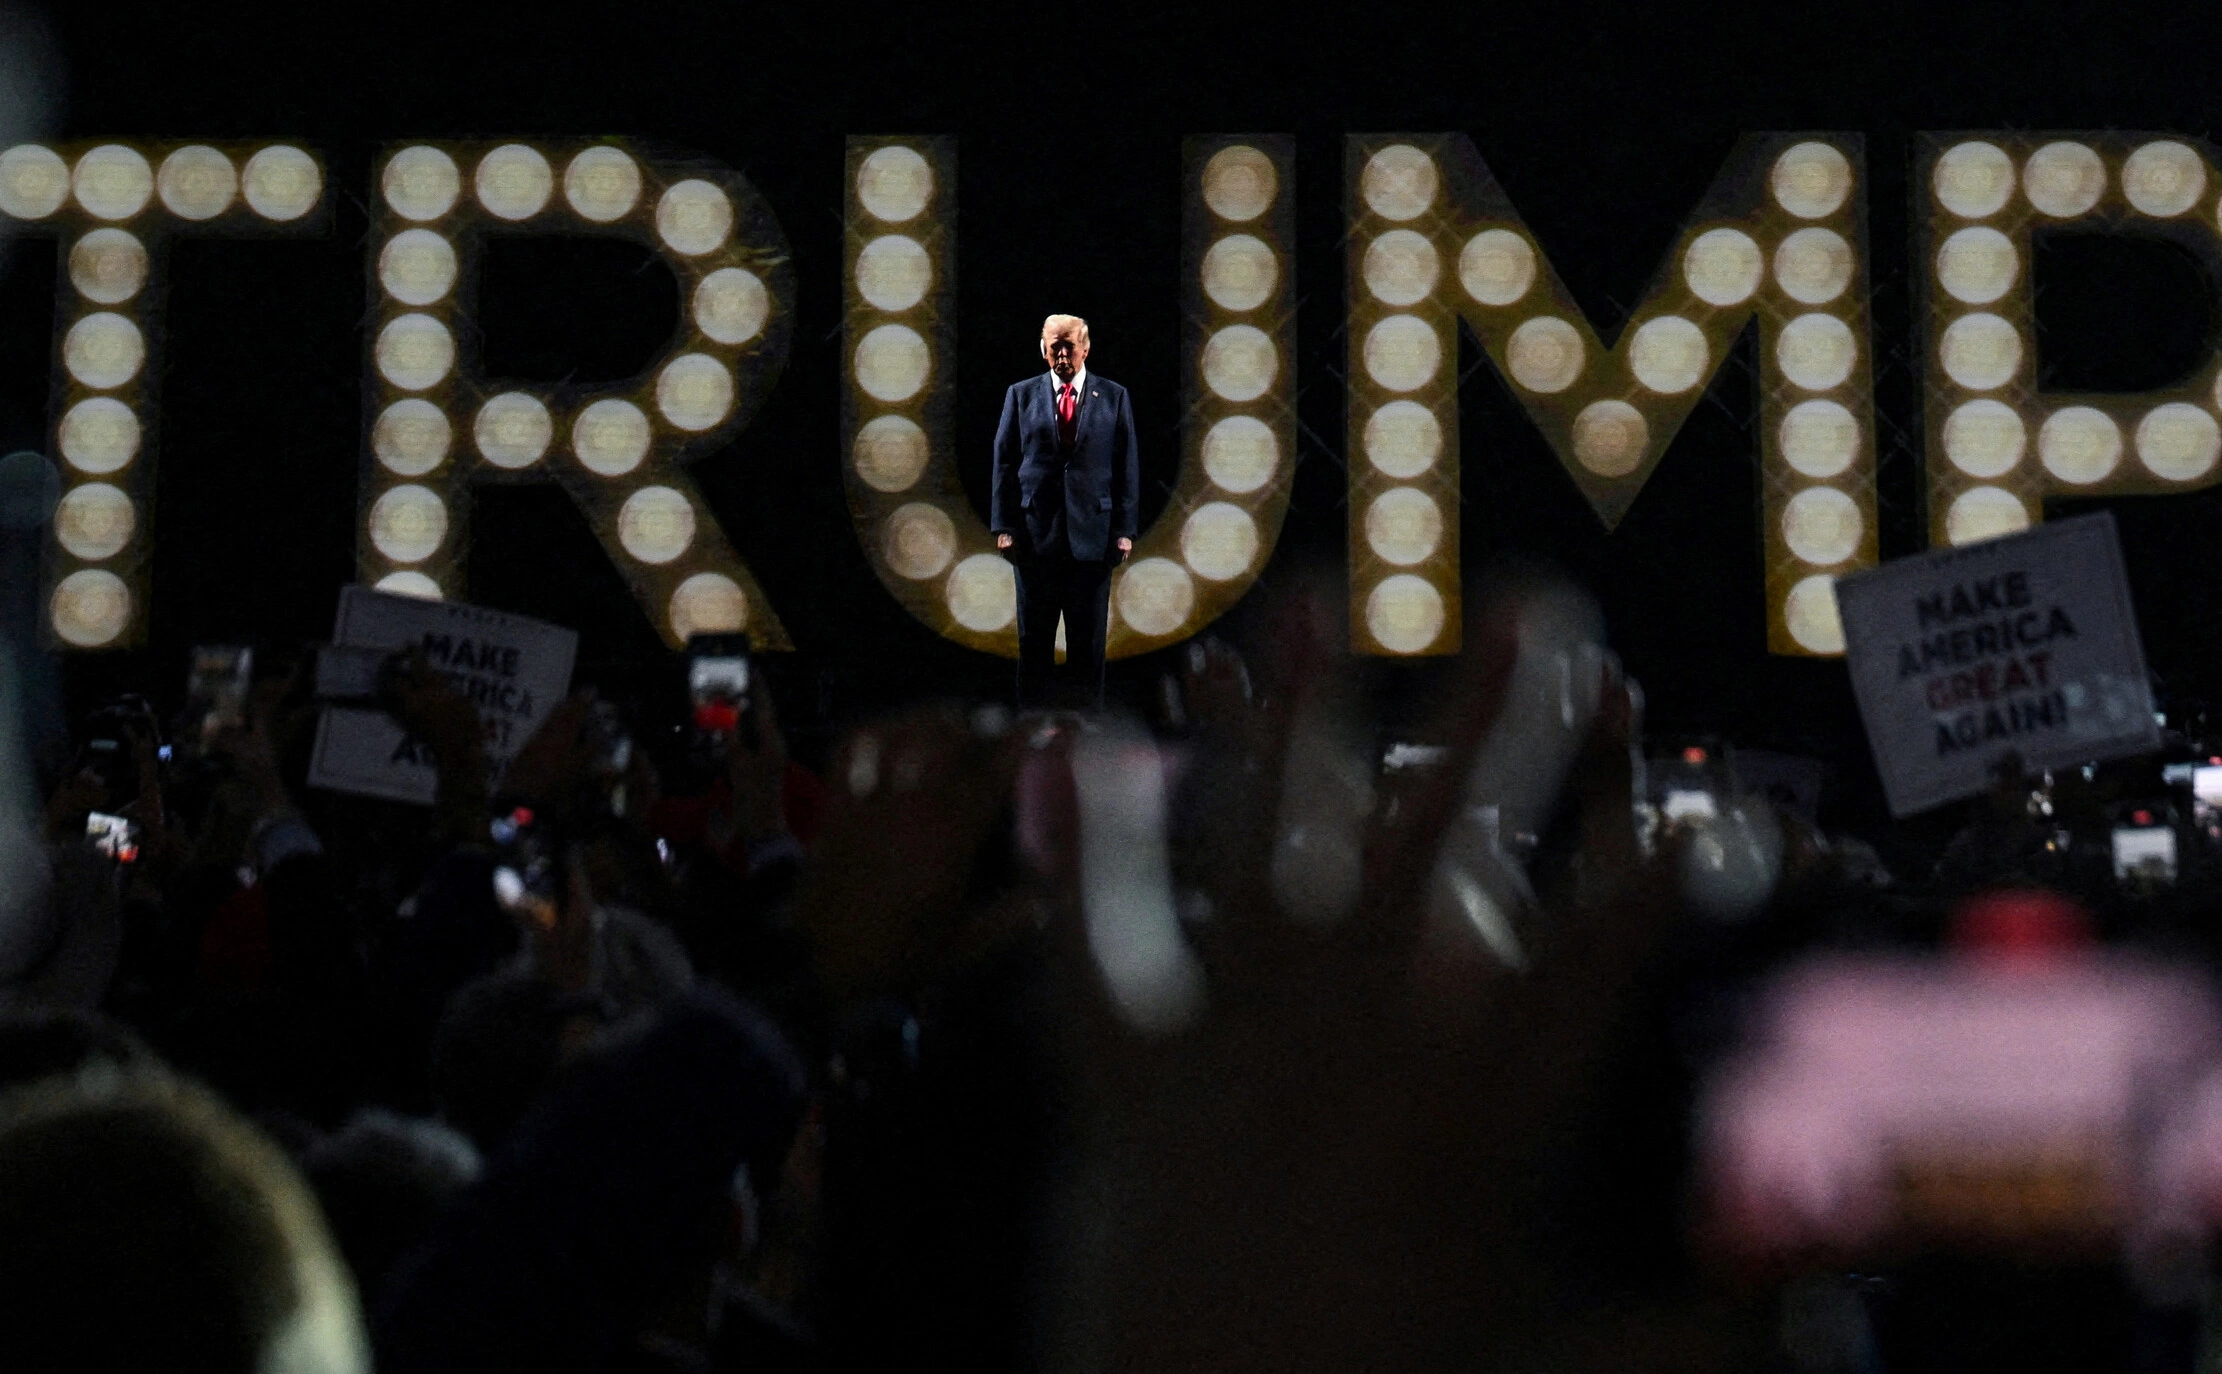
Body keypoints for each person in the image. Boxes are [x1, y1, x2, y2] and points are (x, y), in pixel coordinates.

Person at [990, 314, 1140, 710]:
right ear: (1043, 349)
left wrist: (1124, 529)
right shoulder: (1020, 396)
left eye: (1068, 344)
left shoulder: (1113, 397)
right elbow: (1004, 463)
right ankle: (1030, 736)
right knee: (1034, 647)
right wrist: (1004, 527)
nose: (1061, 352)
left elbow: (1127, 466)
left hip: (1093, 540)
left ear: (1085, 348)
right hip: (1035, 539)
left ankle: (1087, 737)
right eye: (1053, 344)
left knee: (1087, 649)